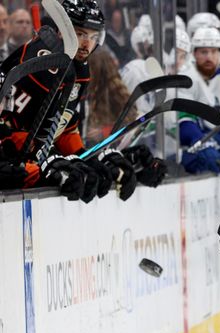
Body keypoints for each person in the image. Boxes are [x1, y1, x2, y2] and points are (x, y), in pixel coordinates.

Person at [0, 0, 139, 202]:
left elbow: (64, 126)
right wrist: (49, 164)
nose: (86, 44)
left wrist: (86, 157)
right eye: (80, 34)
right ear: (61, 31)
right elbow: (11, 129)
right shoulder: (40, 62)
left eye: (93, 36)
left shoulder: (79, 66)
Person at [178, 26, 220, 276]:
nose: (208, 56)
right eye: (202, 51)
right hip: (183, 151)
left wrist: (216, 147)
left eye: (213, 51)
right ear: (194, 53)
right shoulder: (185, 77)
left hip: (217, 151)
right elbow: (184, 126)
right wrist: (205, 145)